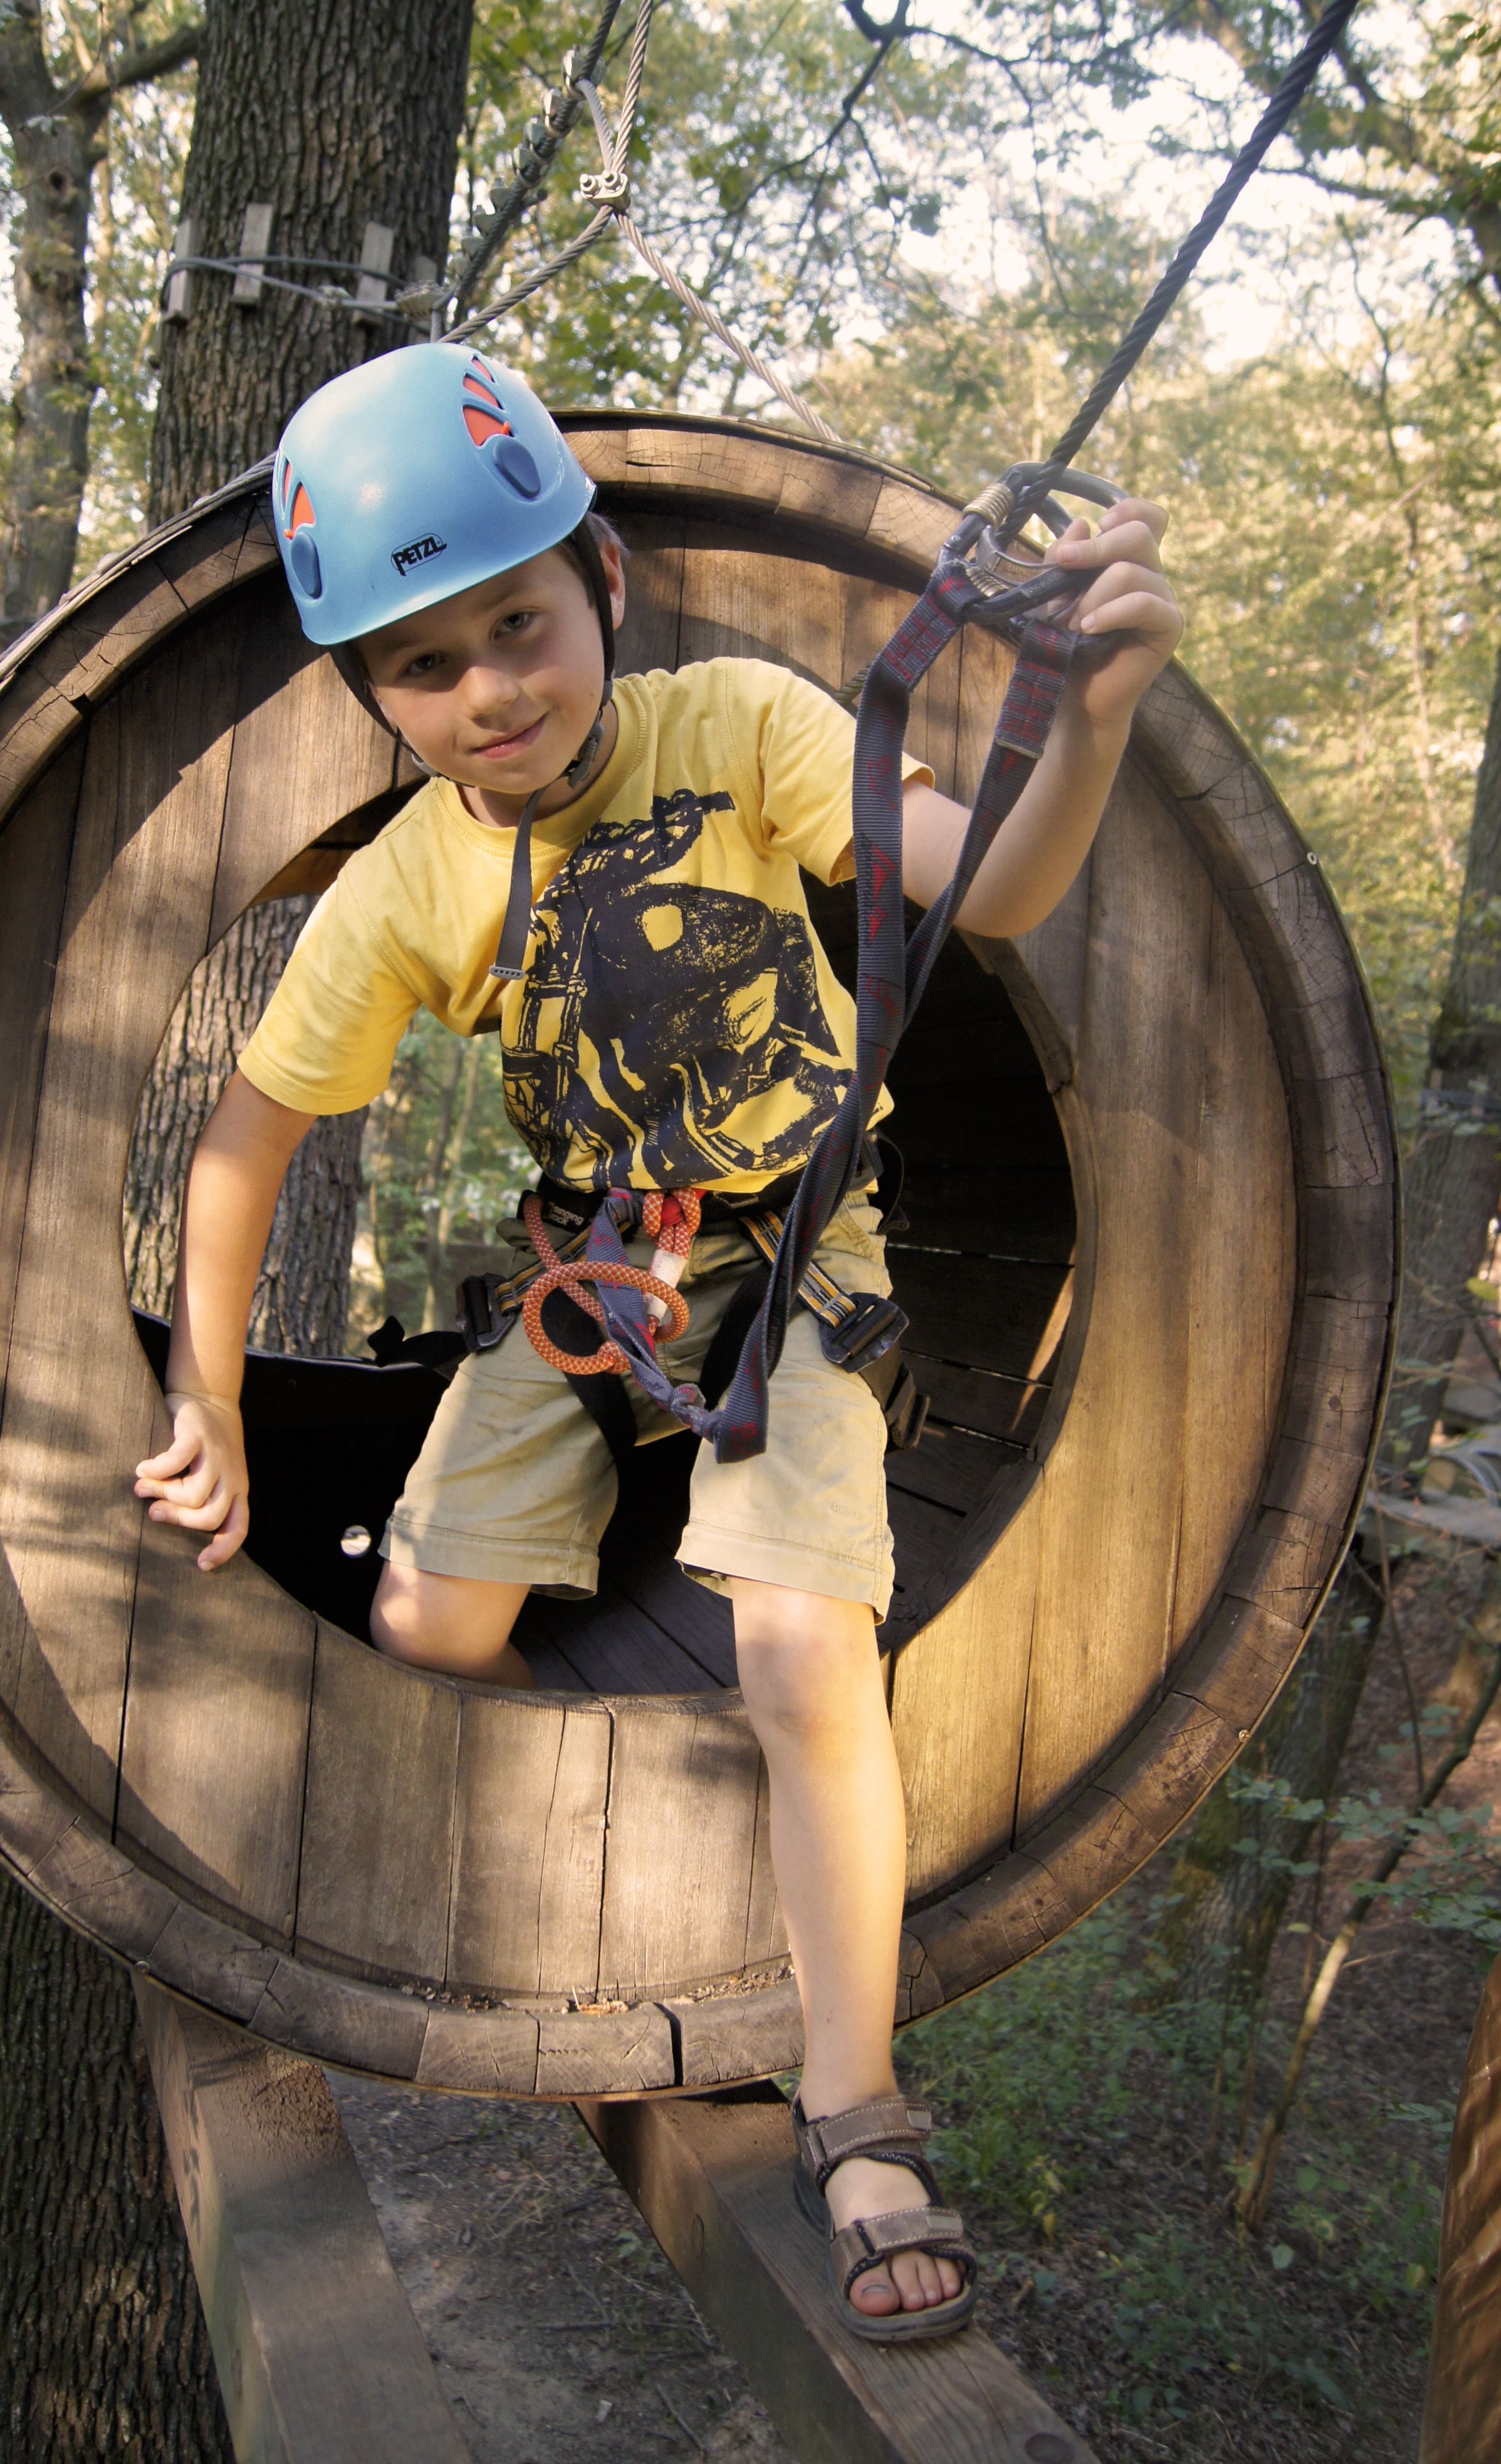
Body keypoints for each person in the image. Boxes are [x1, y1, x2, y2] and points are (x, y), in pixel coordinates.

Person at [133, 343, 1183, 2341]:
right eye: (424, 667)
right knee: (426, 1624)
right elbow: (245, 1140)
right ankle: (601, 1872)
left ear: (600, 581)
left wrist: (1099, 716)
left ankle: (856, 2108)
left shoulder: (743, 730)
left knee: (801, 1646)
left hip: (792, 1251)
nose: (488, 692)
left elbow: (996, 886)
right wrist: (210, 1398)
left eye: (516, 625)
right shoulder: (415, 883)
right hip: (599, 1266)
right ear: (375, 698)